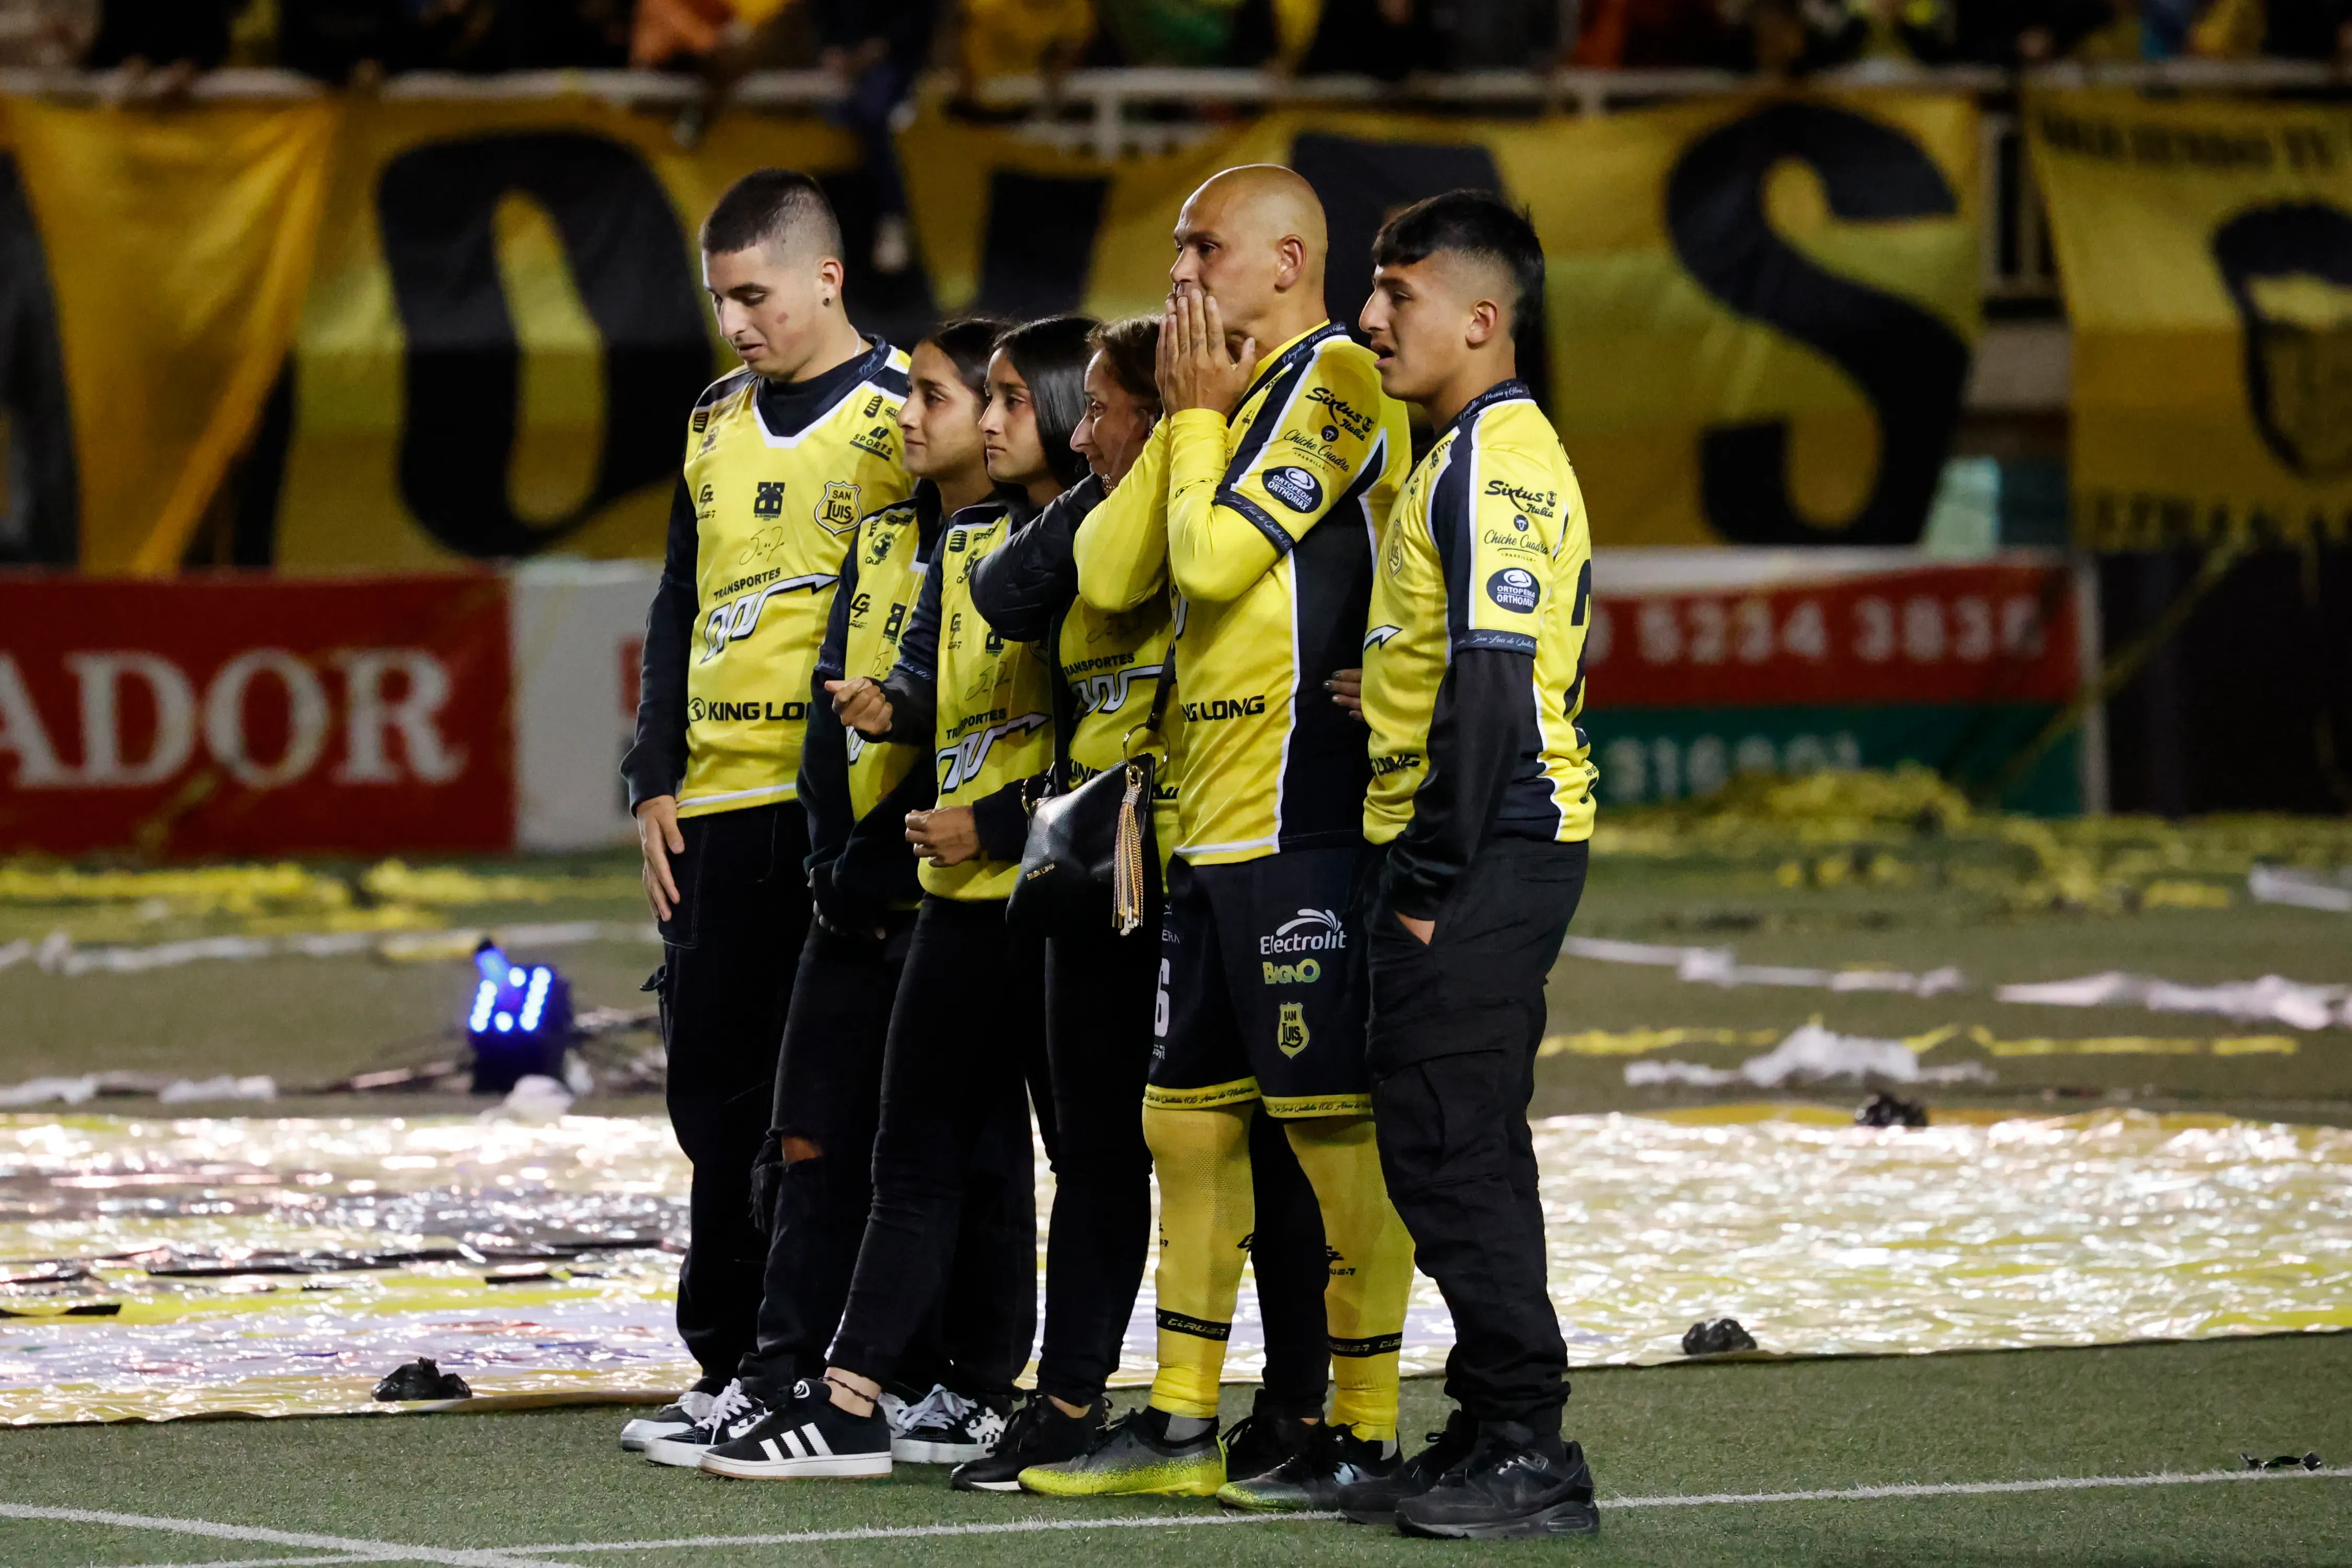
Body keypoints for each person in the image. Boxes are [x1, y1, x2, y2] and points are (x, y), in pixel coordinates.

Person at [1017, 165, 1418, 1505]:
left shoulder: (1339, 383)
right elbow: (1108, 574)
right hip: (1209, 816)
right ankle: (1184, 1419)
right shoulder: (1224, 403)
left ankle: (1357, 1426)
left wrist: (1190, 423)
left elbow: (1202, 566)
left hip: (1307, 812)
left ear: (1290, 258)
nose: (1179, 269)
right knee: (1183, 1125)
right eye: (1178, 245)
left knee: (1328, 1134)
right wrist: (1194, 420)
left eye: (1205, 245)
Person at [696, 315, 1099, 1481]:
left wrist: (1005, 823)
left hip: (1060, 900)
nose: (972, 419)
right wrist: (894, 713)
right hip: (959, 892)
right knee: (913, 1153)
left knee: (1089, 1161)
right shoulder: (972, 536)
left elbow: (1119, 726)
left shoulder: (1108, 547)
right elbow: (941, 688)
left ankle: (1049, 1397)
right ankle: (847, 1393)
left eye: (1003, 400)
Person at [947, 318, 1338, 1490]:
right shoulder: (1105, 507)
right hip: (1100, 871)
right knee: (1104, 1148)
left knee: (1265, 1150)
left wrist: (1174, 446)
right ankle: (1080, 1397)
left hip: (1206, 860)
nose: (1076, 431)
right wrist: (1123, 468)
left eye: (1093, 409)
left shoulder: (1217, 498)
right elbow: (1008, 591)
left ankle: (1295, 1407)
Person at [617, 170, 912, 1455]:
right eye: (720, 298)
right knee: (713, 1097)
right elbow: (680, 601)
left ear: (827, 278)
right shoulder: (711, 418)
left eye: (756, 294)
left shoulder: (908, 414)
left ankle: (845, 1361)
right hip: (716, 805)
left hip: (838, 807)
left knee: (834, 1101)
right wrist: (653, 775)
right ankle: (729, 1354)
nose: (737, 321)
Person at [1341, 189, 1601, 1539]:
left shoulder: (1489, 457)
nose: (1370, 318)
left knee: (1447, 1148)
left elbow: (1499, 697)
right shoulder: (1466, 455)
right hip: (1484, 841)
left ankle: (1527, 1446)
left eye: (1399, 295)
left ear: (1480, 320)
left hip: (1481, 851)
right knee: (1462, 1145)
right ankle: (1494, 1414)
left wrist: (1431, 886)